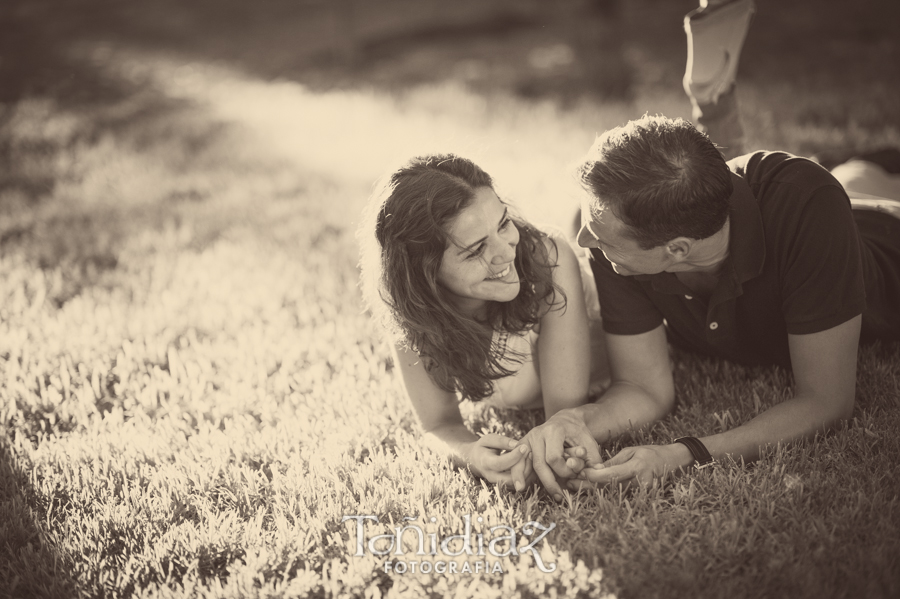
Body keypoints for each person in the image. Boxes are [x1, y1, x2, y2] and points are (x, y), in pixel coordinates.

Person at [509, 114, 900, 498]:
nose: (581, 240)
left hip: (880, 233)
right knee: (855, 173)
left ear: (677, 249)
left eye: (597, 236)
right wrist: (572, 420)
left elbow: (825, 401)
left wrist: (684, 453)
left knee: (861, 184)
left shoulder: (808, 204)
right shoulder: (610, 231)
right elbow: (642, 387)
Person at [357, 154, 609, 488]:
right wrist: (470, 454)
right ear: (425, 274)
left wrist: (547, 455)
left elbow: (562, 417)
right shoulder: (414, 315)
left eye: (504, 224)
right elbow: (438, 424)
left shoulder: (545, 262)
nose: (506, 252)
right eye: (476, 250)